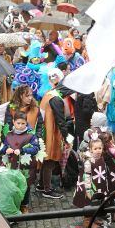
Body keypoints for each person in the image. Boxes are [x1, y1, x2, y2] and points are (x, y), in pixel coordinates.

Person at [38, 68, 72, 199]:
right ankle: (47, 189)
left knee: (46, 160)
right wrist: (66, 137)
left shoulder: (49, 93)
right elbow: (60, 120)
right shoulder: (57, 99)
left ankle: (41, 184)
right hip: (51, 133)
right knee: (50, 160)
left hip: (44, 131)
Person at [0, 111, 39, 213]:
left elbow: (35, 149)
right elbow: (3, 148)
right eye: (18, 123)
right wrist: (6, 150)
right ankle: (15, 203)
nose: (20, 126)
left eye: (23, 123)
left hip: (26, 167)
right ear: (13, 122)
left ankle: (24, 205)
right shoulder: (8, 135)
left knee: (25, 185)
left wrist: (22, 150)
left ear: (26, 123)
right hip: (12, 165)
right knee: (13, 185)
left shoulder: (30, 136)